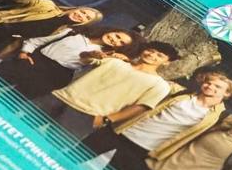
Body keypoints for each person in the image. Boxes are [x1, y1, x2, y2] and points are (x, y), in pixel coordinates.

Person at [81, 69, 232, 170]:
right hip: (121, 131)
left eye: (217, 87)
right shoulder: (181, 92)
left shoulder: (221, 116)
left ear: (227, 93)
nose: (210, 86)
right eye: (208, 82)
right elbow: (153, 82)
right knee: (77, 155)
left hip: (144, 148)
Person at [36, 42, 180, 139]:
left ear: (167, 62)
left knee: (52, 147)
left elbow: (142, 107)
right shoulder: (115, 61)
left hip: (87, 115)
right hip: (57, 98)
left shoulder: (159, 85)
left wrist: (107, 119)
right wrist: (92, 53)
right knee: (23, 121)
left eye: (159, 55)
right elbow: (85, 59)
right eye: (150, 51)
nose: (152, 55)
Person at [0, 25, 139, 100]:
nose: (115, 40)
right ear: (112, 30)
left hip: (55, 77)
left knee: (11, 100)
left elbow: (86, 61)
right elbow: (37, 41)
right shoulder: (73, 32)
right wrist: (24, 53)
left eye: (120, 42)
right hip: (33, 61)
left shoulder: (105, 56)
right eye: (117, 36)